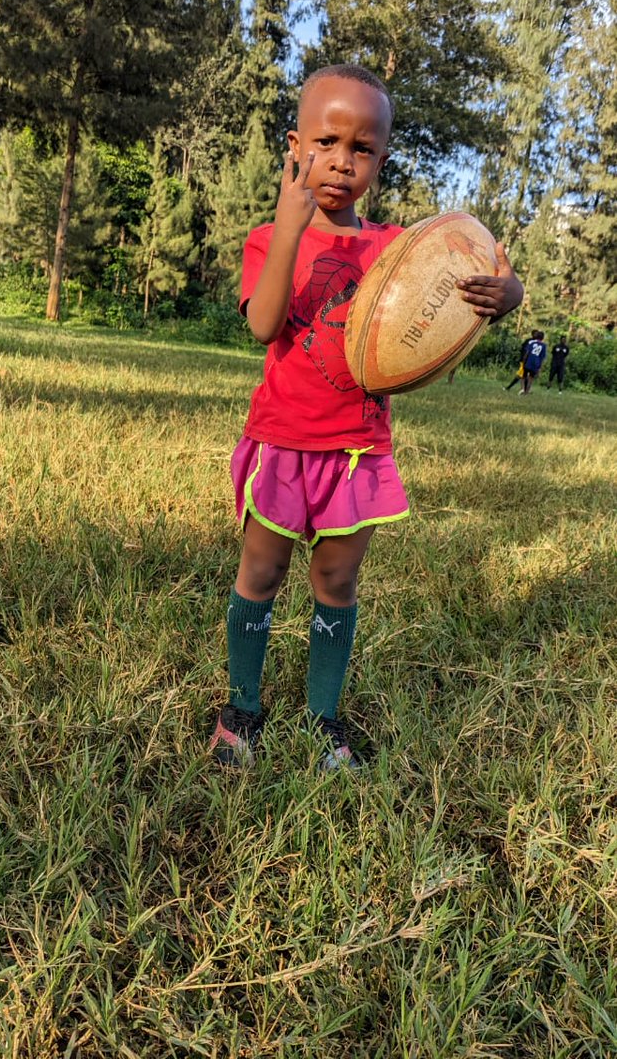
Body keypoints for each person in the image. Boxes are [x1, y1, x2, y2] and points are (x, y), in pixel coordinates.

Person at [209, 64, 524, 771]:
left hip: (358, 451)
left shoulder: (395, 251)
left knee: (337, 583)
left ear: (381, 160)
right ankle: (242, 708)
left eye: (362, 149)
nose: (341, 162)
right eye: (326, 142)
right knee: (260, 573)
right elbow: (263, 325)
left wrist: (507, 294)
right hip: (283, 443)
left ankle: (322, 716)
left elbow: (449, 296)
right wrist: (290, 227)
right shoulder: (267, 237)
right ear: (295, 146)